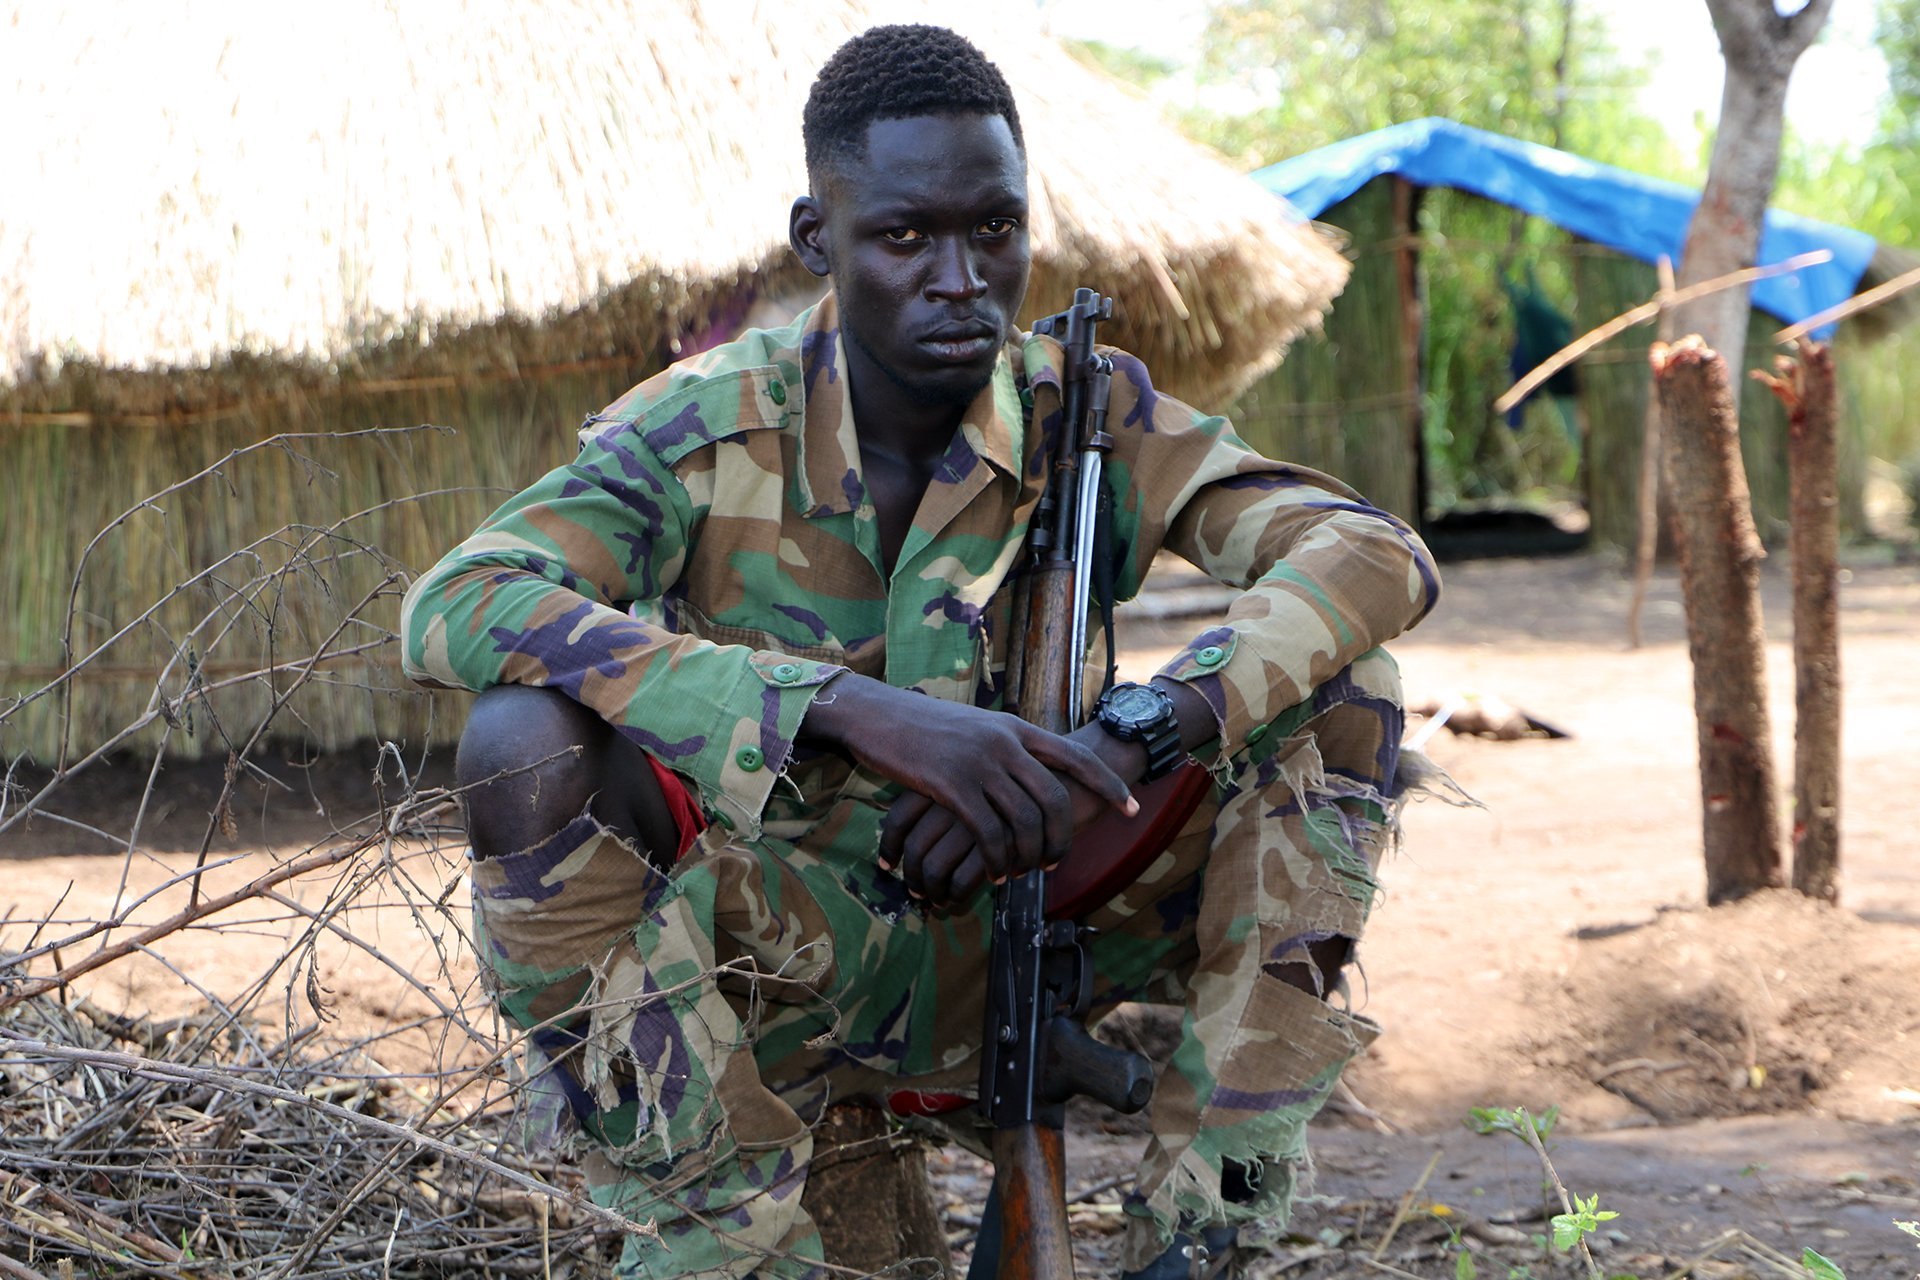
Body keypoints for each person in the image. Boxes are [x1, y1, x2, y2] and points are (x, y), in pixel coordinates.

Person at [401, 23, 1439, 1280]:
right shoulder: (707, 424)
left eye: (993, 230)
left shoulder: (1087, 415)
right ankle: (718, 1242)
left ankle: (1216, 1221)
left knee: (1346, 691)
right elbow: (460, 601)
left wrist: (1125, 734)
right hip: (782, 956)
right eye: (904, 237)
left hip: (1058, 920)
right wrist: (844, 708)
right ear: (815, 237)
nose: (960, 278)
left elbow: (1373, 552)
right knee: (522, 745)